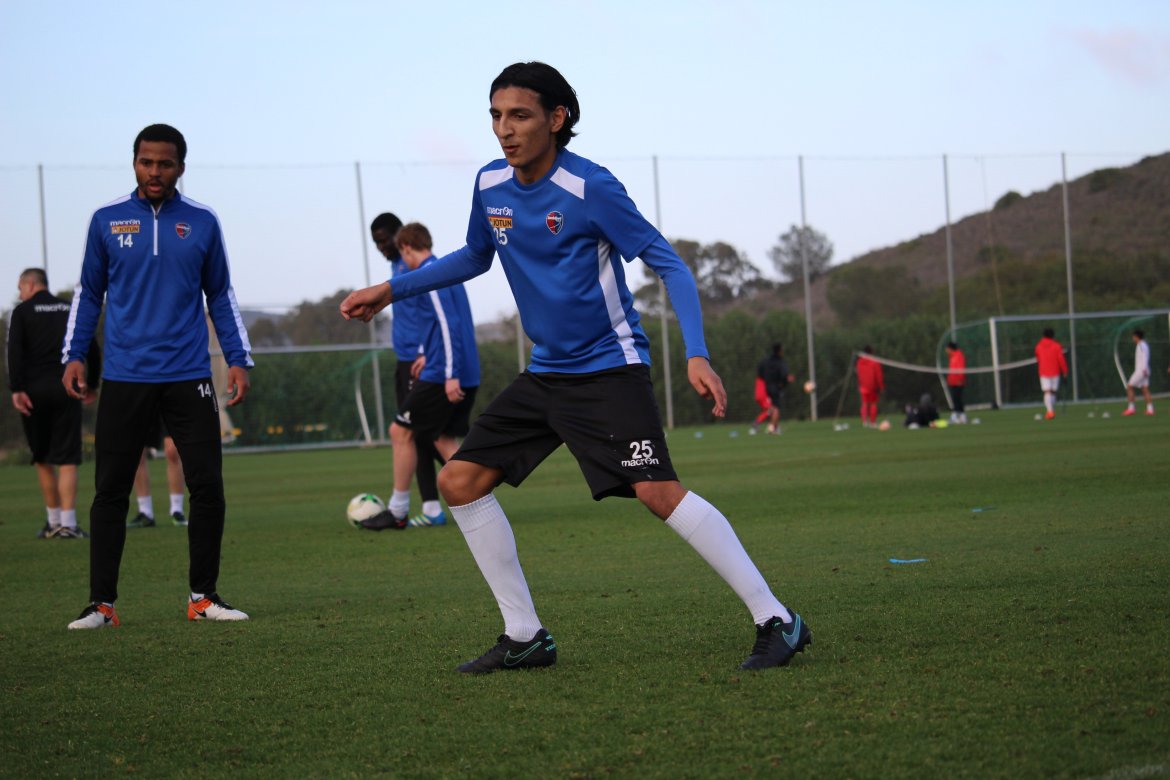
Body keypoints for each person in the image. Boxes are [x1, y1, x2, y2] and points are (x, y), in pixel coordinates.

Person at [341, 61, 810, 673]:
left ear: (557, 118)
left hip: (610, 369)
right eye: (495, 116)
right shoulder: (489, 183)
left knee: (658, 493)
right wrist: (390, 289)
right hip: (547, 375)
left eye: (519, 115)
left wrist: (697, 352)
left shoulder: (591, 187)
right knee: (459, 481)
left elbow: (669, 264)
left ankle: (777, 619)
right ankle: (525, 635)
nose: (504, 129)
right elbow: (476, 255)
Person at [61, 123, 254, 629]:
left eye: (164, 164)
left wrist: (238, 358)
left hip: (189, 374)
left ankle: (203, 598)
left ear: (180, 168)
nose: (154, 171)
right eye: (146, 162)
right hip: (126, 376)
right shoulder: (106, 220)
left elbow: (221, 295)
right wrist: (75, 354)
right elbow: (89, 294)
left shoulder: (202, 221)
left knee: (207, 485)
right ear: (134, 163)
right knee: (110, 490)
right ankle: (102, 605)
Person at [359, 222, 480, 530]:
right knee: (440, 437)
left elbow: (449, 324)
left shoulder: (432, 275)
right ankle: (480, 500)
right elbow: (443, 324)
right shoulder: (444, 271)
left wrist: (450, 374)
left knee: (400, 432)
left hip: (442, 374)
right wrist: (428, 352)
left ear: (406, 248)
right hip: (447, 367)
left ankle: (398, 510)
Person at [6, 268, 101, 539]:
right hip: (66, 389)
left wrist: (17, 389)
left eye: (20, 287)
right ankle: (68, 524)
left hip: (34, 392)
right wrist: (91, 383)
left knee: (42, 457)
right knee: (67, 458)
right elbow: (91, 346)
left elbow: (14, 352)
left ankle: (53, 521)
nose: (20, 293)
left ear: (30, 284)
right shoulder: (69, 308)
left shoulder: (22, 312)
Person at [371, 212, 445, 525]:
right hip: (405, 361)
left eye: (384, 240)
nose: (381, 247)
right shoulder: (396, 266)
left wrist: (425, 352)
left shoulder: (417, 267)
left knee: (425, 433)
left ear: (400, 237)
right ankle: (431, 508)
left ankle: (478, 481)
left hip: (420, 361)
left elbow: (438, 315)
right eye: (376, 243)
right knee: (417, 436)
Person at [127, 417, 187, 528]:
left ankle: (177, 510)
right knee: (137, 452)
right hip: (143, 406)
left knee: (172, 451)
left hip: (168, 406)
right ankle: (145, 512)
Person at [754, 343, 794, 435]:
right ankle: (773, 428)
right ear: (779, 351)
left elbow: (760, 372)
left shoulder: (765, 361)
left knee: (771, 407)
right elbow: (784, 375)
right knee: (776, 408)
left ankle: (773, 426)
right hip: (775, 387)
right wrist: (785, 382)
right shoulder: (780, 362)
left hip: (767, 387)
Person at [1034, 328, 1069, 420]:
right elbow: (1061, 359)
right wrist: (1065, 371)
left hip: (1044, 371)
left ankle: (1050, 411)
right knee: (1052, 392)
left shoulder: (1038, 346)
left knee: (1047, 392)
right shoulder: (1057, 346)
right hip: (1055, 371)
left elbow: (1038, 358)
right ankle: (1050, 411)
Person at [1123, 329, 1154, 416]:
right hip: (1144, 370)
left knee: (1129, 386)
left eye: (1133, 336)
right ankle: (1150, 409)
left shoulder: (1141, 345)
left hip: (1141, 371)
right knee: (1145, 389)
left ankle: (1131, 408)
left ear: (1136, 337)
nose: (1132, 338)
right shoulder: (1142, 345)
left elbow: (1145, 357)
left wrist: (1144, 370)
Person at [856, 345, 884, 428]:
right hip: (872, 386)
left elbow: (858, 373)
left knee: (864, 403)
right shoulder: (874, 362)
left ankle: (865, 421)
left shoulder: (859, 362)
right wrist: (881, 386)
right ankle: (872, 422)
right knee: (873, 404)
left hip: (863, 386)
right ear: (871, 352)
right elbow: (879, 375)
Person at [945, 341, 968, 424]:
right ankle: (960, 416)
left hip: (958, 382)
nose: (946, 350)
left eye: (947, 348)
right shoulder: (952, 357)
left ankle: (957, 416)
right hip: (953, 382)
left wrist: (960, 379)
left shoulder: (958, 356)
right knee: (955, 399)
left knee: (957, 399)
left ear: (950, 348)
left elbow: (961, 368)